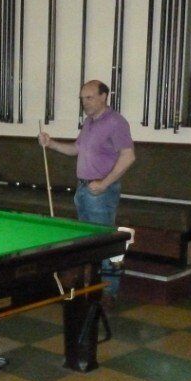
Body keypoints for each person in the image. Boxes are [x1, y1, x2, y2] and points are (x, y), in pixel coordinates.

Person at [39, 80, 135, 304]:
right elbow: (76, 149)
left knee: (104, 242)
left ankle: (108, 292)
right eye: (82, 98)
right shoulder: (90, 122)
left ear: (104, 96)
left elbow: (128, 156)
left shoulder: (115, 122)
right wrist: (50, 143)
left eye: (89, 97)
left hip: (101, 191)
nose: (85, 102)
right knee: (87, 241)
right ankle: (89, 286)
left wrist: (104, 183)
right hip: (83, 188)